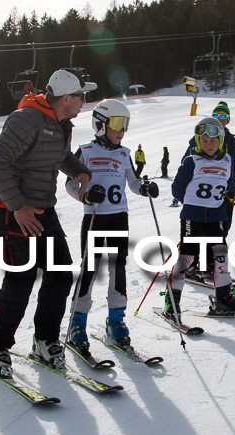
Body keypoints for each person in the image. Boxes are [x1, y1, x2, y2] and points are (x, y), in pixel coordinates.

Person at [0, 68, 96, 378]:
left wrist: (79, 170)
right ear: (68, 98)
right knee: (21, 280)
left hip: (42, 209)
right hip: (11, 210)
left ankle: (44, 341)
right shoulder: (27, 119)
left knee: (60, 274)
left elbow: (58, 155)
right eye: (81, 96)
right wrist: (17, 206)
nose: (84, 102)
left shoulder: (61, 123)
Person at [65, 99, 159, 352]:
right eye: (117, 123)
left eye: (125, 124)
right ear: (100, 124)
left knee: (118, 268)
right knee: (89, 269)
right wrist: (85, 196)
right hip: (95, 218)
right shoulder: (85, 151)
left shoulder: (124, 154)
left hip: (119, 217)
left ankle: (116, 320)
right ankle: (77, 323)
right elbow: (70, 184)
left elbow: (134, 184)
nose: (121, 130)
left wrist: (146, 188)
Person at [164, 117, 235, 318]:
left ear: (220, 141)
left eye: (213, 141)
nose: (208, 145)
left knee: (221, 255)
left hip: (216, 215)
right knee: (187, 257)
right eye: (204, 141)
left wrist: (223, 197)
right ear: (197, 142)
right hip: (192, 217)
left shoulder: (227, 160)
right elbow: (177, 189)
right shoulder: (192, 161)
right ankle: (172, 301)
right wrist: (193, 203)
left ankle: (223, 299)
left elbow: (229, 184)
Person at [183, 101, 235, 277]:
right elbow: (186, 164)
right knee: (203, 232)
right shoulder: (199, 138)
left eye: (223, 116)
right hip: (202, 197)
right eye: (216, 116)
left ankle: (211, 266)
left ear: (228, 120)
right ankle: (200, 266)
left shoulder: (232, 142)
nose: (220, 119)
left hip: (226, 194)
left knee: (222, 232)